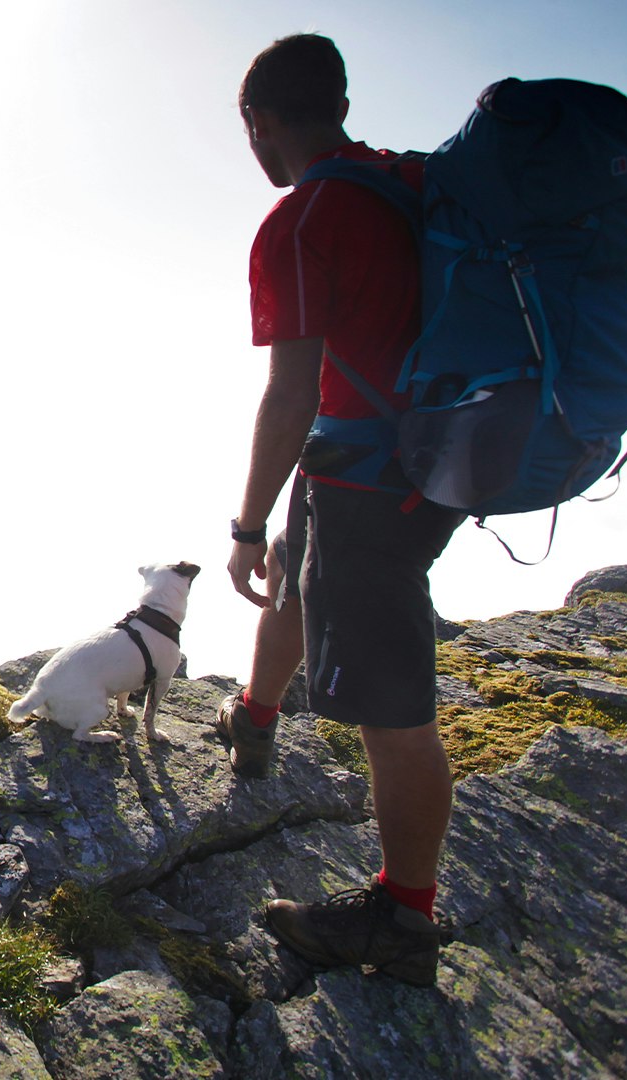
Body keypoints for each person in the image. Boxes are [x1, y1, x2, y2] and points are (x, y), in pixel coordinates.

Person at [217, 33, 464, 988]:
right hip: (415, 459)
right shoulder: (403, 186)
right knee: (296, 570)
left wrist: (241, 525)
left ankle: (403, 918)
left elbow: (291, 394)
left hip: (375, 482)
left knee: (393, 708)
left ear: (261, 123)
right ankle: (256, 717)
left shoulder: (302, 220)